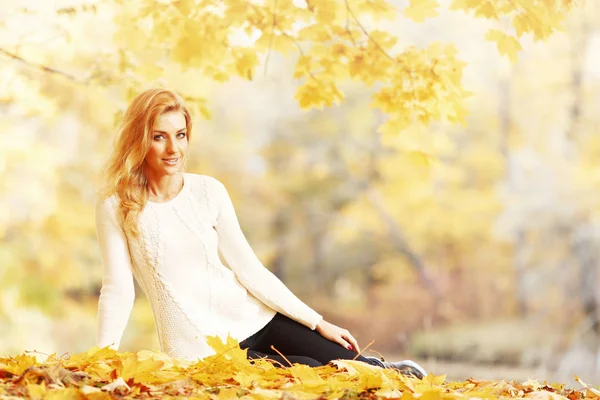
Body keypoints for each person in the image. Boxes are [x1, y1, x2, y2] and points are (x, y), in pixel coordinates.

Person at [94, 88, 427, 378]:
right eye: (159, 136)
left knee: (350, 362)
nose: (173, 149)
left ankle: (388, 373)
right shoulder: (118, 207)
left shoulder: (208, 191)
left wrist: (316, 321)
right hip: (204, 351)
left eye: (180, 135)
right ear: (139, 140)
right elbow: (118, 291)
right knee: (311, 371)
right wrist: (102, 358)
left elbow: (249, 269)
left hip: (256, 317)